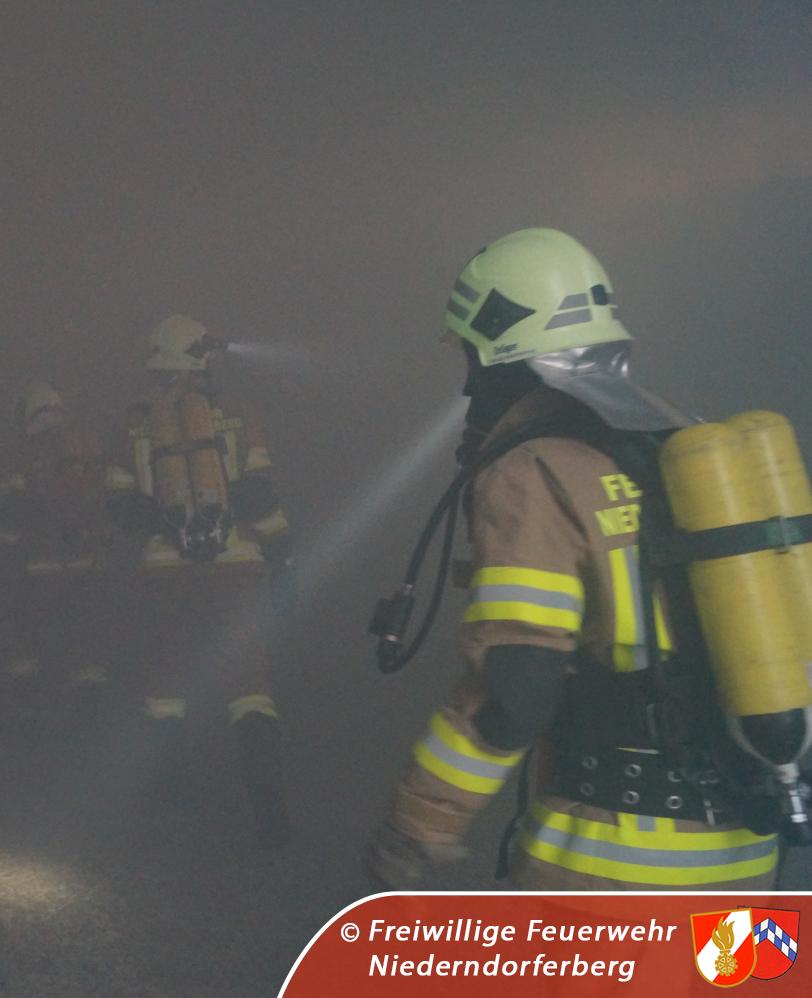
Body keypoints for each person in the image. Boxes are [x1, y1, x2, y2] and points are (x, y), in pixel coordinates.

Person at [364, 228, 784, 890]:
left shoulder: (536, 469)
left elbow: (516, 687)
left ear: (500, 352)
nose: (470, 387)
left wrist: (417, 824)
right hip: (748, 866)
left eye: (473, 359)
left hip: (612, 867)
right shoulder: (683, 445)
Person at [103, 314, 296, 847]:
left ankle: (173, 795)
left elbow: (119, 507)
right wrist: (282, 557)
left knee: (166, 683)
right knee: (249, 688)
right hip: (236, 570)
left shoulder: (132, 424)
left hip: (165, 576)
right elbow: (260, 494)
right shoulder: (236, 412)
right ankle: (268, 810)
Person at [0, 382, 115, 734]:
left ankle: (30, 719)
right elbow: (107, 506)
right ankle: (90, 721)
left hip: (36, 573)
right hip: (85, 568)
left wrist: (5, 555)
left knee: (27, 648)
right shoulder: (86, 451)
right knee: (86, 644)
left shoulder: (21, 460)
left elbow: (8, 525)